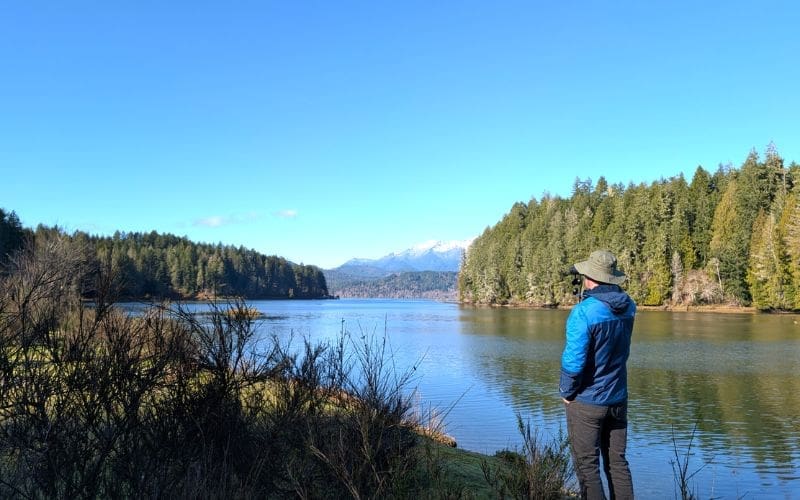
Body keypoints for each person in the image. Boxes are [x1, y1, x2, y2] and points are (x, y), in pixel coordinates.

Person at [560, 250, 636, 499]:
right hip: (618, 399)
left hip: (588, 402)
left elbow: (573, 362)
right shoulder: (629, 307)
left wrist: (567, 393)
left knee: (587, 467)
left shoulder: (584, 312)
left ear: (589, 277)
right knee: (617, 463)